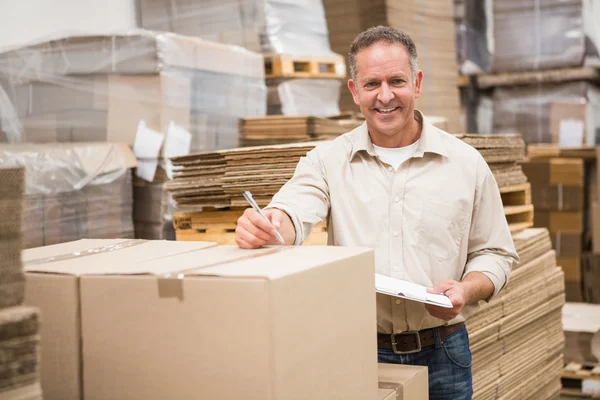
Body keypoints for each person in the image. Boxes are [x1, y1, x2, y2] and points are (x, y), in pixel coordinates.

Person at [235, 25, 519, 400]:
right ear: (355, 91)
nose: (385, 96)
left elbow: (496, 253)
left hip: (444, 354)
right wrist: (268, 226)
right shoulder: (327, 162)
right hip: (358, 350)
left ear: (417, 83)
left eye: (397, 81)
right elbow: (293, 211)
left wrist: (466, 288)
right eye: (371, 84)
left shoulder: (466, 164)